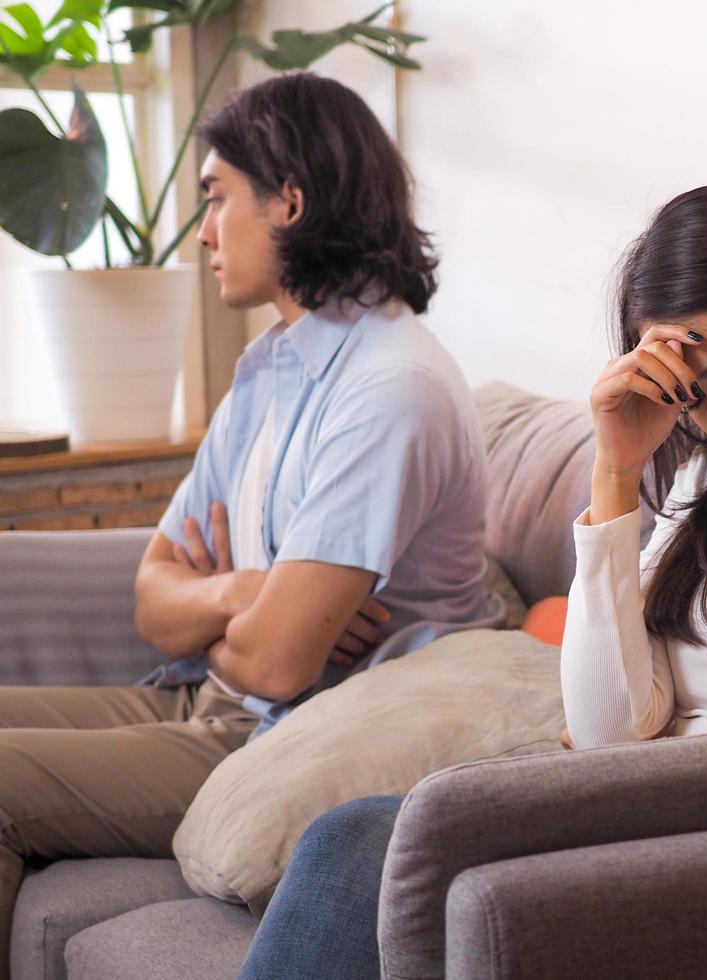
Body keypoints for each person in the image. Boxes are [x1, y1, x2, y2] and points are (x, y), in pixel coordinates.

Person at [238, 184, 707, 979]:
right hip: (631, 825)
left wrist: (629, 771)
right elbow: (608, 728)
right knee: (363, 836)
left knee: (372, 839)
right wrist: (616, 471)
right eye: (696, 402)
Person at [0, 73, 505, 978]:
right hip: (208, 698)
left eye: (218, 198)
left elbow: (276, 666)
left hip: (288, 737)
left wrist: (239, 616)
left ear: (291, 202)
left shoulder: (389, 390)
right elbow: (153, 599)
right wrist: (245, 591)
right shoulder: (271, 368)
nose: (202, 233)